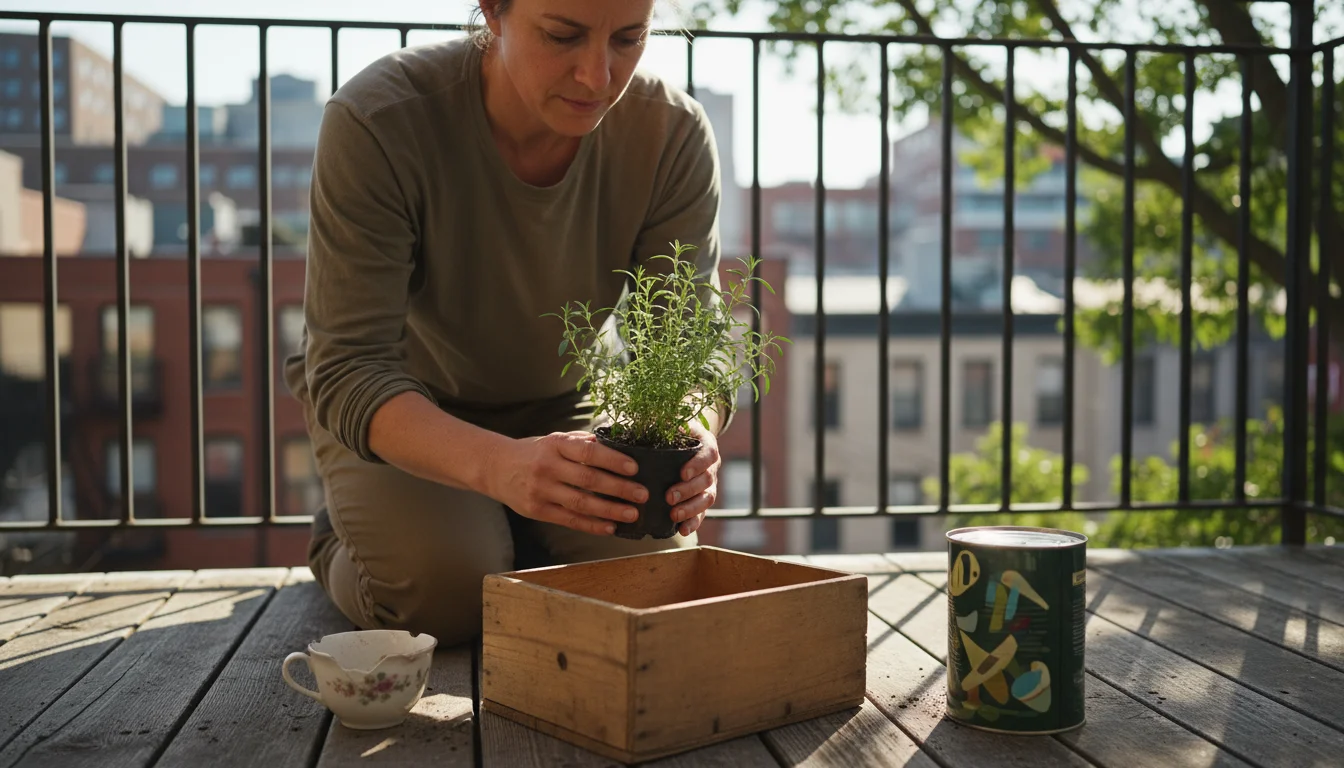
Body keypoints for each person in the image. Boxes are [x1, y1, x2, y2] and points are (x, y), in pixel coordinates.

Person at [283, 0, 731, 646]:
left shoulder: (672, 132)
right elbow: (348, 366)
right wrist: (499, 469)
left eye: (628, 39)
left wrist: (692, 427)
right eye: (563, 35)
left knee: (646, 579)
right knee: (449, 595)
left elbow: (695, 344)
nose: (597, 77)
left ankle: (502, 534)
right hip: (410, 412)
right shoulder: (379, 119)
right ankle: (346, 535)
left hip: (577, 409)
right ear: (493, 11)